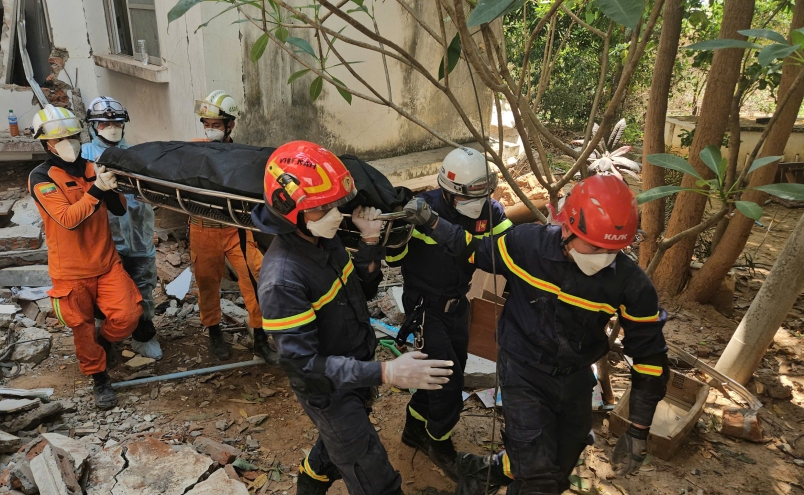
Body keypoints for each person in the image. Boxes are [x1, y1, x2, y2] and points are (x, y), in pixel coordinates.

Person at [403, 175, 670, 495]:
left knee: (562, 461)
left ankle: (487, 473)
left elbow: (650, 357)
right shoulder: (527, 247)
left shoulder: (629, 282)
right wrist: (432, 221)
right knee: (537, 476)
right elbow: (472, 250)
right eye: (595, 247)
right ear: (569, 228)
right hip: (523, 369)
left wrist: (639, 427)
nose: (603, 257)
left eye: (613, 250)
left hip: (573, 376)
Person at [253, 140, 455, 495]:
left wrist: (371, 241)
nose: (335, 213)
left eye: (335, 204)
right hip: (330, 393)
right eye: (323, 207)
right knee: (377, 481)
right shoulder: (283, 280)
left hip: (355, 371)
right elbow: (304, 366)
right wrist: (386, 372)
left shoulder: (322, 239)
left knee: (330, 454)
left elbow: (360, 291)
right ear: (289, 208)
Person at [385, 147, 511, 479]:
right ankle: (439, 444)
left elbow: (510, 250)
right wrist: (396, 234)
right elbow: (394, 262)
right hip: (425, 310)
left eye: (485, 194)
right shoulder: (421, 210)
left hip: (459, 305)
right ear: (449, 190)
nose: (479, 203)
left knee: (442, 372)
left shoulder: (489, 213)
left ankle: (414, 429)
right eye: (472, 195)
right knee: (448, 382)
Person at [28, 104, 146, 410]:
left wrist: (110, 187)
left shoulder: (94, 166)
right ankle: (99, 379)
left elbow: (119, 209)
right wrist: (96, 191)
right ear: (46, 144)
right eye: (60, 139)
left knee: (128, 315)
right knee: (81, 328)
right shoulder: (41, 178)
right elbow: (67, 218)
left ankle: (104, 340)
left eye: (73, 136)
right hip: (70, 271)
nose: (69, 143)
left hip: (106, 263)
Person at [189, 90, 278, 365]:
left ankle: (261, 337)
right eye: (206, 124)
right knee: (206, 281)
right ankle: (214, 331)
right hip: (202, 227)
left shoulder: (242, 157)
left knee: (255, 278)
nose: (210, 130)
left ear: (230, 125)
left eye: (215, 125)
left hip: (235, 229)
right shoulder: (194, 151)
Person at [81, 96, 162, 360]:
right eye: (104, 123)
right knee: (104, 293)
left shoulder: (138, 156)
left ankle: (142, 335)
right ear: (93, 126)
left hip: (139, 238)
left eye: (116, 122)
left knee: (143, 286)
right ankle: (106, 335)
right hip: (104, 243)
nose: (111, 128)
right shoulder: (83, 158)